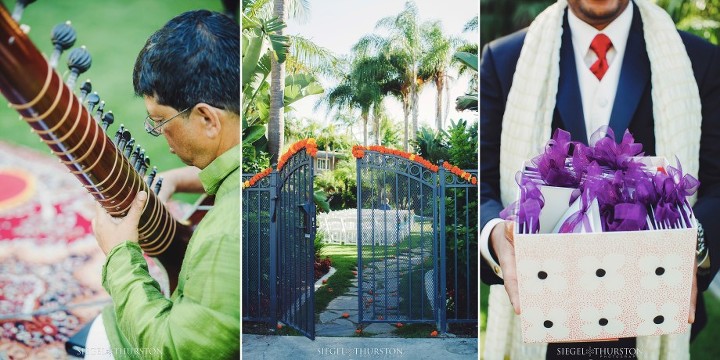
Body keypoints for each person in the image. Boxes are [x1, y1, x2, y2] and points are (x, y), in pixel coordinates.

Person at [480, 0, 720, 359]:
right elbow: (480, 183)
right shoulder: (503, 60)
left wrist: (693, 244)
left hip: (652, 313)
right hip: (543, 316)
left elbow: (716, 182)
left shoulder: (700, 60)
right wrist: (496, 234)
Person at [88, 9, 240, 359]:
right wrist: (178, 178)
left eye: (159, 121)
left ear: (206, 118)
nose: (159, 134)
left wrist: (119, 255)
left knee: (101, 333)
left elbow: (172, 350)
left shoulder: (225, 236)